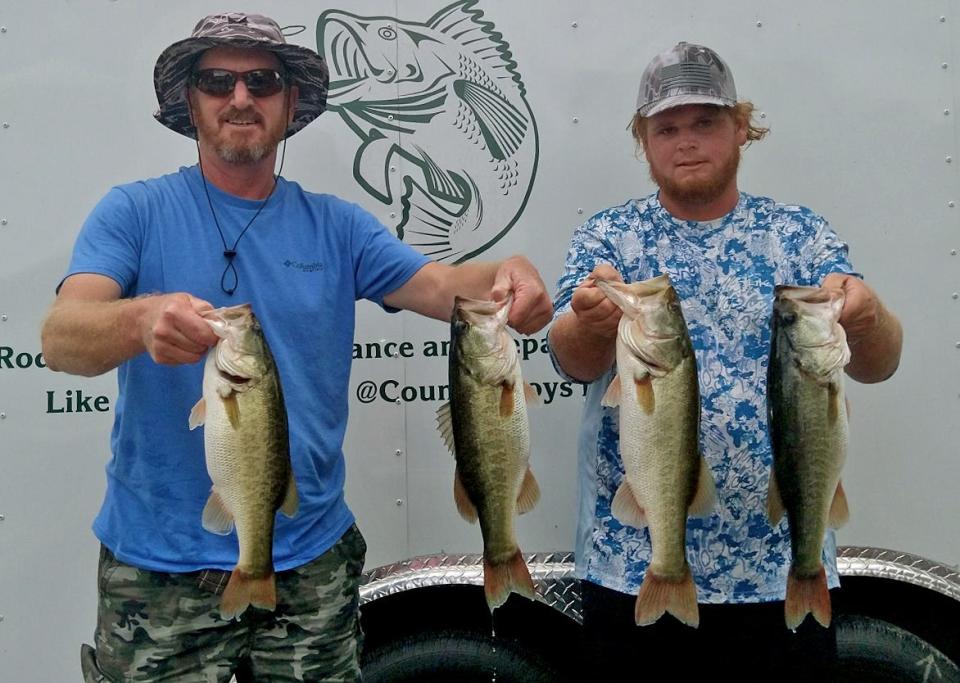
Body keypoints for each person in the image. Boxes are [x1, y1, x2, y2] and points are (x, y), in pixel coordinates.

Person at [40, 13, 552, 683]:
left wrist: (509, 272)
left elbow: (443, 286)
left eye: (263, 80)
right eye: (217, 80)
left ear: (291, 103)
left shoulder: (338, 227)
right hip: (156, 570)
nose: (241, 97)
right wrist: (140, 319)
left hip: (312, 563)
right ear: (189, 101)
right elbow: (61, 336)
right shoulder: (133, 212)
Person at [547, 42, 903, 678]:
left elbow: (878, 363)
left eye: (705, 122)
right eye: (667, 128)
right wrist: (586, 322)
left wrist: (870, 318)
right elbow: (571, 360)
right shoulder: (609, 236)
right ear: (644, 141)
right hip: (633, 567)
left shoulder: (799, 234)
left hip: (781, 568)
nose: (686, 142)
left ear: (741, 127)